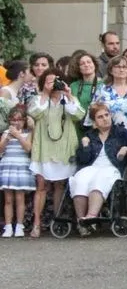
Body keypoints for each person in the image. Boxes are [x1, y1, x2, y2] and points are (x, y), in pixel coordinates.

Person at [28, 69, 85, 238]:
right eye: (49, 81)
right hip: (44, 147)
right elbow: (34, 113)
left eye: (56, 81)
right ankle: (36, 223)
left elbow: (79, 114)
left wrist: (68, 94)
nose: (54, 84)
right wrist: (45, 93)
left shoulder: (66, 99)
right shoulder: (39, 99)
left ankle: (57, 220)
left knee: (60, 184)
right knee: (41, 185)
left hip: (64, 147)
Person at [70, 103, 127, 233]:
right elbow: (83, 160)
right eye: (100, 117)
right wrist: (85, 146)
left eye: (106, 115)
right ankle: (81, 222)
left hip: (112, 168)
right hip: (92, 167)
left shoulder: (121, 132)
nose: (105, 118)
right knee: (79, 180)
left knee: (100, 180)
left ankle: (91, 217)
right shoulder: (90, 135)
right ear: (94, 122)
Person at [86, 56, 127, 139]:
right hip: (110, 138)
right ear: (111, 70)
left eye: (124, 67)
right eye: (118, 67)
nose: (121, 70)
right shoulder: (102, 90)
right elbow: (92, 113)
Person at [0, 105, 34, 238]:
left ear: (24, 120)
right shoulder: (5, 133)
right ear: (9, 120)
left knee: (20, 198)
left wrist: (18, 135)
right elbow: (0, 149)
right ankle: (8, 226)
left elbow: (28, 148)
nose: (16, 122)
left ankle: (19, 226)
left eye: (19, 119)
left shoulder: (28, 133)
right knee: (8, 199)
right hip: (8, 166)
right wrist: (7, 138)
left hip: (21, 167)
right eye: (13, 120)